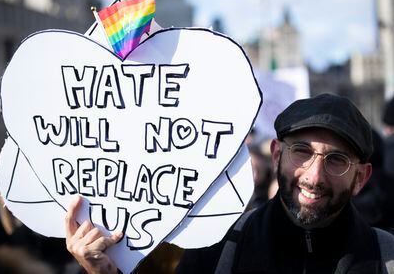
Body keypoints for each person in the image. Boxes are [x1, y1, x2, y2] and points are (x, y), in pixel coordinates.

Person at [65, 93, 394, 273]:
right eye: (302, 151)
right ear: (277, 154)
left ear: (360, 178)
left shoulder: (387, 257)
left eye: (337, 160)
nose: (314, 176)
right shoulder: (220, 247)